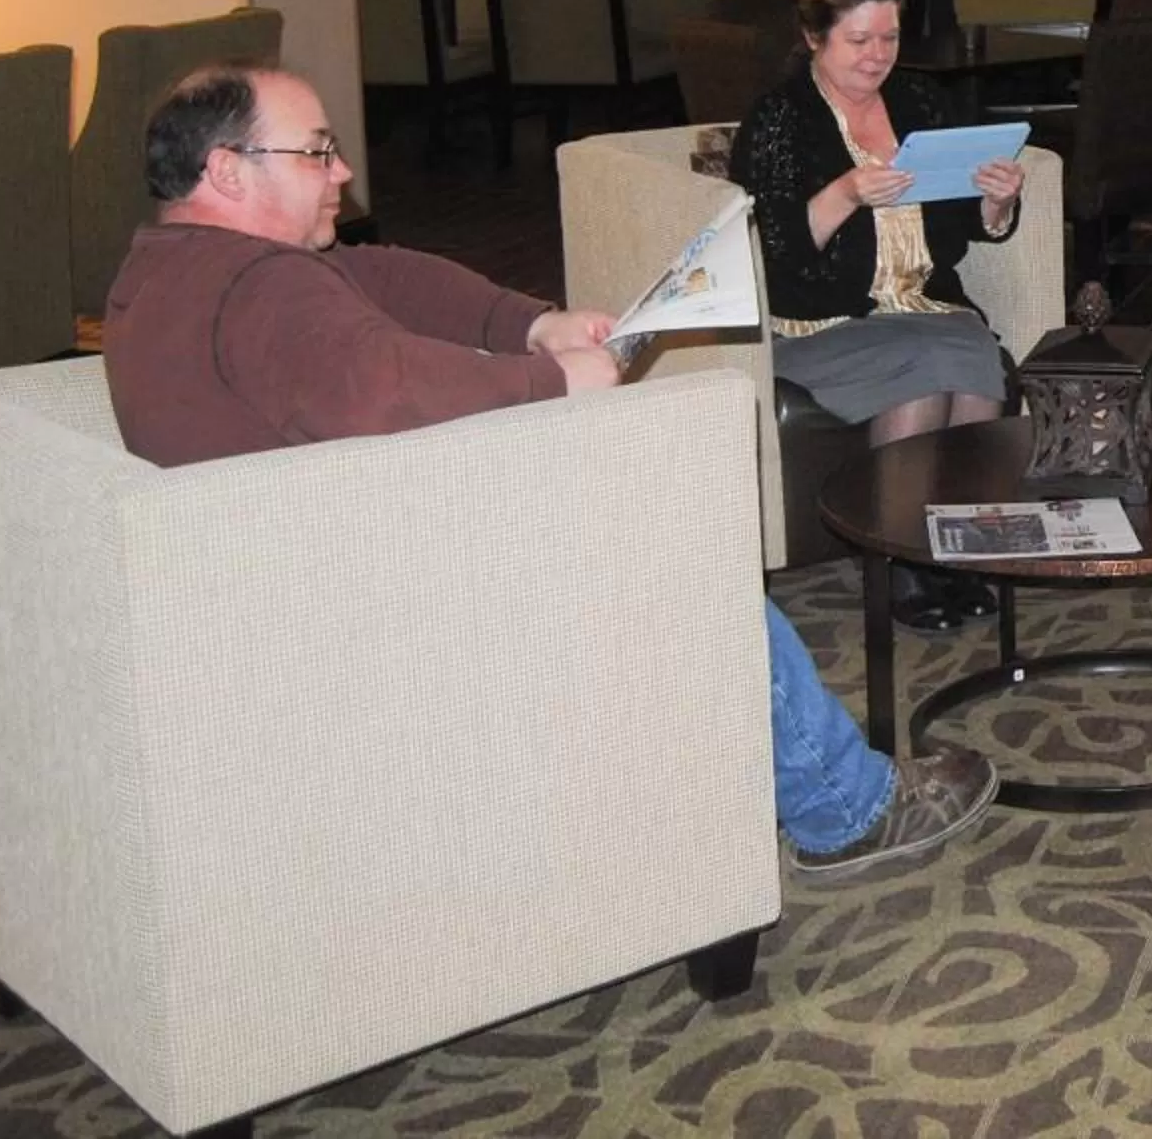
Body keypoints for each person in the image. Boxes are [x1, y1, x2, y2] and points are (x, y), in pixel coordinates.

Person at [102, 58, 994, 877]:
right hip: (369, 605)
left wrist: (529, 322)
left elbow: (383, 279)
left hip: (294, 574)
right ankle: (845, 810)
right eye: (318, 152)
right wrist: (549, 380)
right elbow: (378, 392)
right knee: (678, 547)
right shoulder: (264, 289)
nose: (341, 171)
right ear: (227, 170)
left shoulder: (174, 276)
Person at [730, 0, 1027, 634]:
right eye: (858, 40)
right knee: (924, 377)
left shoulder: (921, 99)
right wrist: (841, 193)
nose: (876, 56)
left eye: (889, 37)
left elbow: (961, 228)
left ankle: (954, 553)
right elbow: (771, 257)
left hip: (923, 304)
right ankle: (893, 561)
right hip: (821, 322)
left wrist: (996, 203)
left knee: (972, 360)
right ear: (813, 37)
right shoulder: (779, 119)